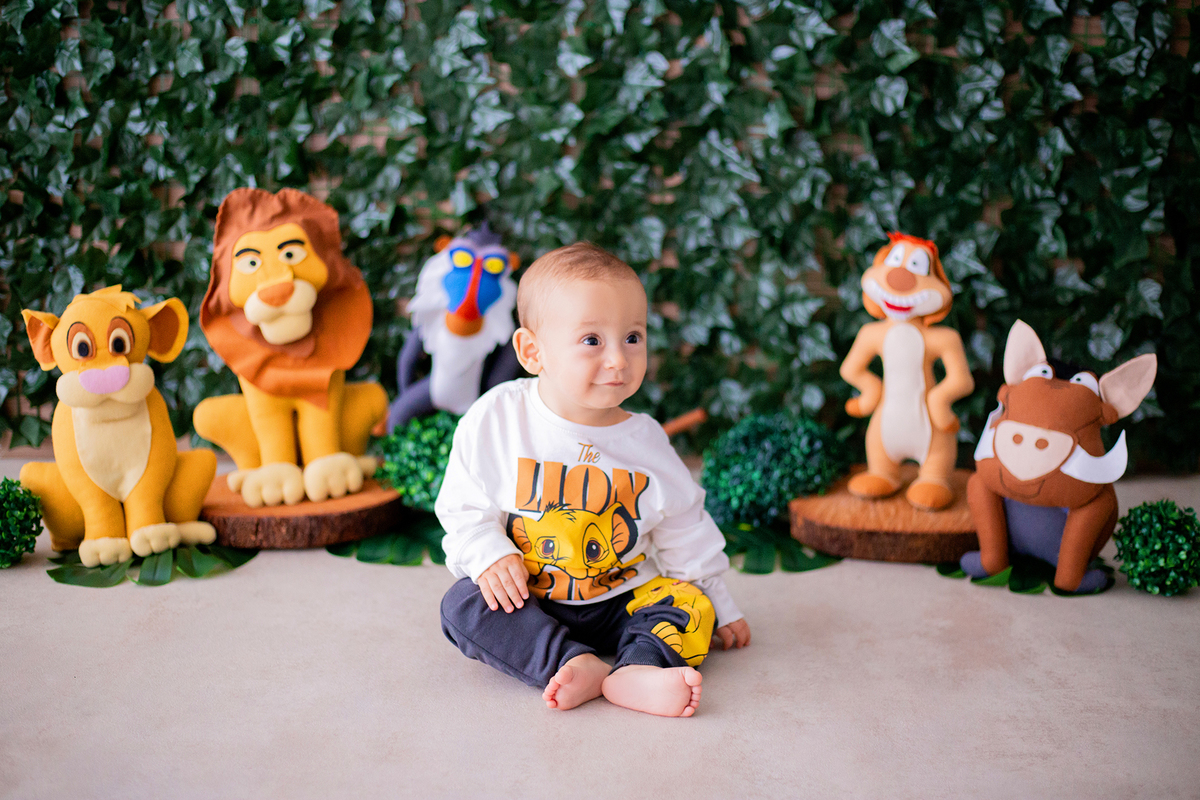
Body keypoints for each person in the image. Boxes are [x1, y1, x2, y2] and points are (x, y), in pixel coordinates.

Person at [435, 241, 751, 718]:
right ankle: (569, 661)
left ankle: (638, 669)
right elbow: (462, 503)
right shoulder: (499, 417)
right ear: (532, 351)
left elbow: (685, 526)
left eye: (633, 337)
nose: (619, 360)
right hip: (531, 599)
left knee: (690, 603)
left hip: (622, 599)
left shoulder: (645, 440)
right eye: (591, 341)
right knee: (463, 604)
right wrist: (489, 553)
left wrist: (721, 604)